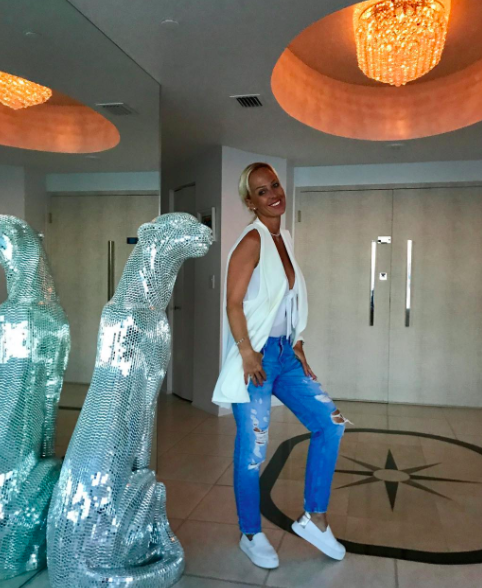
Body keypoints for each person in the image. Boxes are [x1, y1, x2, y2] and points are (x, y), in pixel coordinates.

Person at [212, 163, 351, 569]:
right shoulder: (252, 241)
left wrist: (298, 341)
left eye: (274, 185)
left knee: (331, 423)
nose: (273, 194)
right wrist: (246, 352)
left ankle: (314, 518)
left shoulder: (283, 237)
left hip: (285, 354)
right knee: (253, 450)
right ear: (250, 201)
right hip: (255, 357)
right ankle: (250, 533)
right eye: (261, 191)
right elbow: (233, 304)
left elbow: (285, 300)